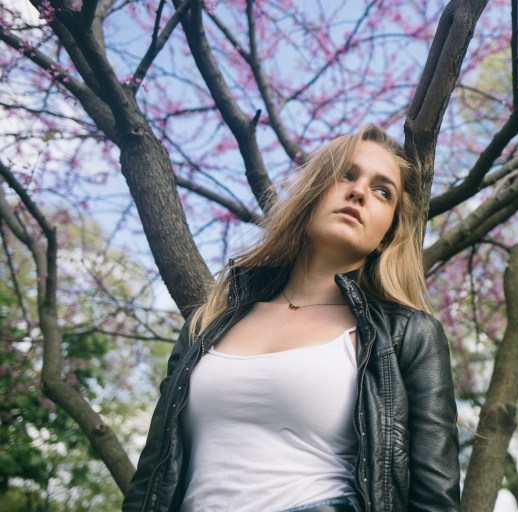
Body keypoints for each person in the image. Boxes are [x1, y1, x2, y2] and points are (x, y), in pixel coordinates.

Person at [122, 125, 460, 512]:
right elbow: (150, 476)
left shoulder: (407, 335)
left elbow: (435, 499)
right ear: (313, 191)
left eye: (383, 192)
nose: (359, 192)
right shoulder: (210, 322)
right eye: (346, 175)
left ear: (386, 235)